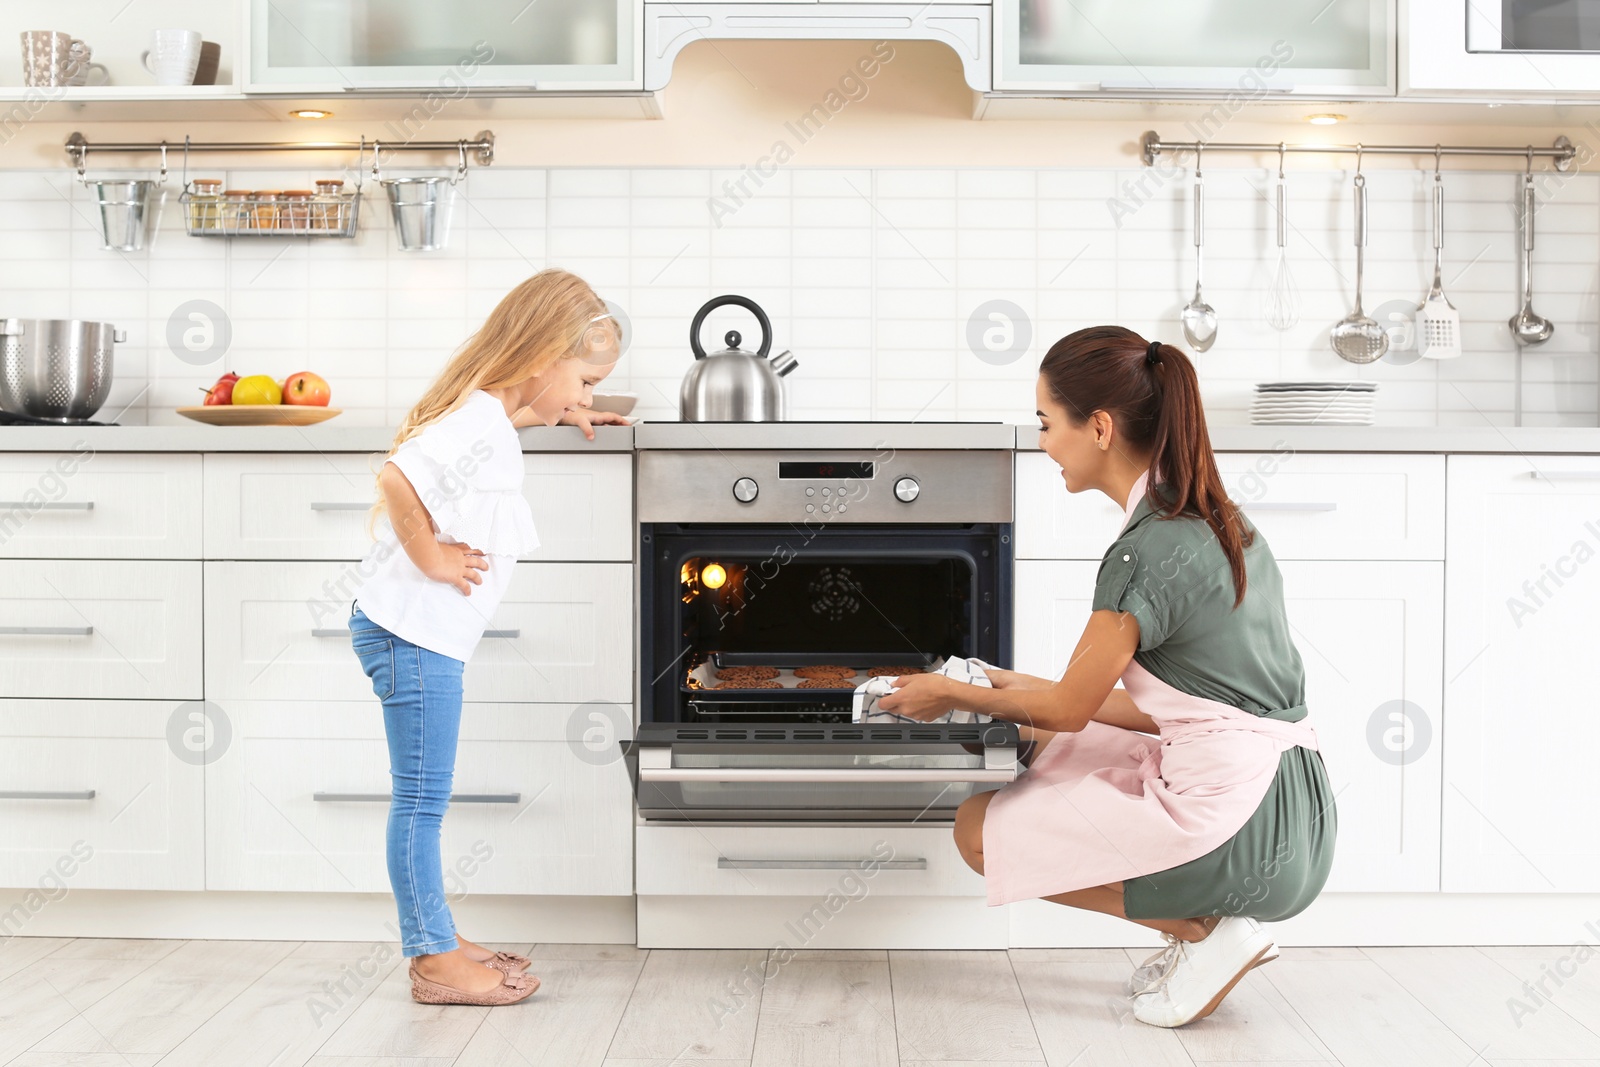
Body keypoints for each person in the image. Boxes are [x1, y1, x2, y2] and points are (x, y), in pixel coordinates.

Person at [879, 325, 1337, 1029]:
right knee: (1039, 737)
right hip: (1297, 804)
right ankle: (1202, 933)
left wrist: (948, 692)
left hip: (1247, 824)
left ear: (1098, 427)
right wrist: (1003, 684)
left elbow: (1069, 706)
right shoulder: (1217, 519)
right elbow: (1166, 707)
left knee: (977, 827)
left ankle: (1205, 931)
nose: (1040, 443)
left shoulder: (1142, 552)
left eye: (1044, 423)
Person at [347, 269, 628, 1006]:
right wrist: (433, 556)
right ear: (542, 354)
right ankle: (434, 960)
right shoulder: (476, 423)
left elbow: (502, 428)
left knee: (423, 800)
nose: (589, 397)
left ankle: (438, 933)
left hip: (422, 635)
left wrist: (562, 415)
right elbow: (395, 477)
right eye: (587, 381)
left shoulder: (491, 418)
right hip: (413, 635)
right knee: (420, 803)